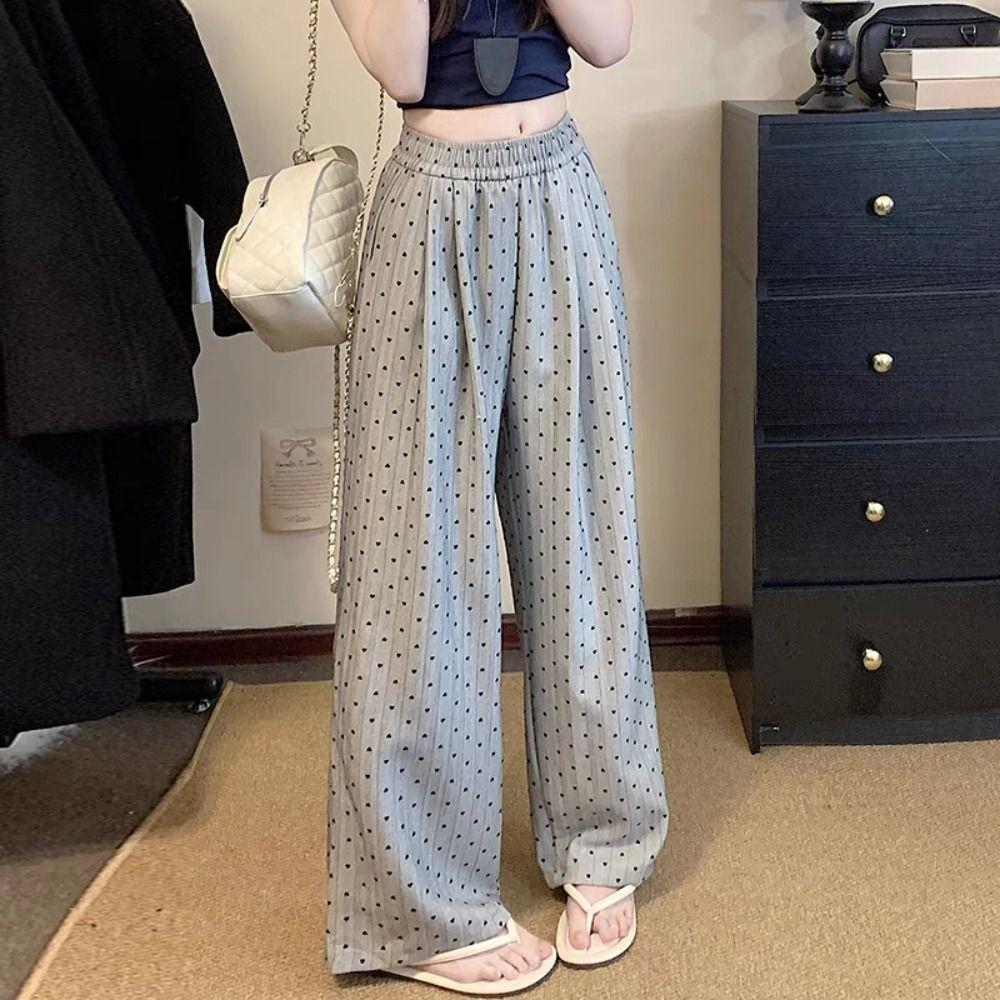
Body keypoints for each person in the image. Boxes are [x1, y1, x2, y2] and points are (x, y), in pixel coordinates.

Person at [325, 0, 669, 993]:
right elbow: (399, 68)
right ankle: (423, 903)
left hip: (559, 189)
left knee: (582, 537)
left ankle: (603, 836)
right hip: (429, 206)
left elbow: (607, 40)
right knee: (415, 562)